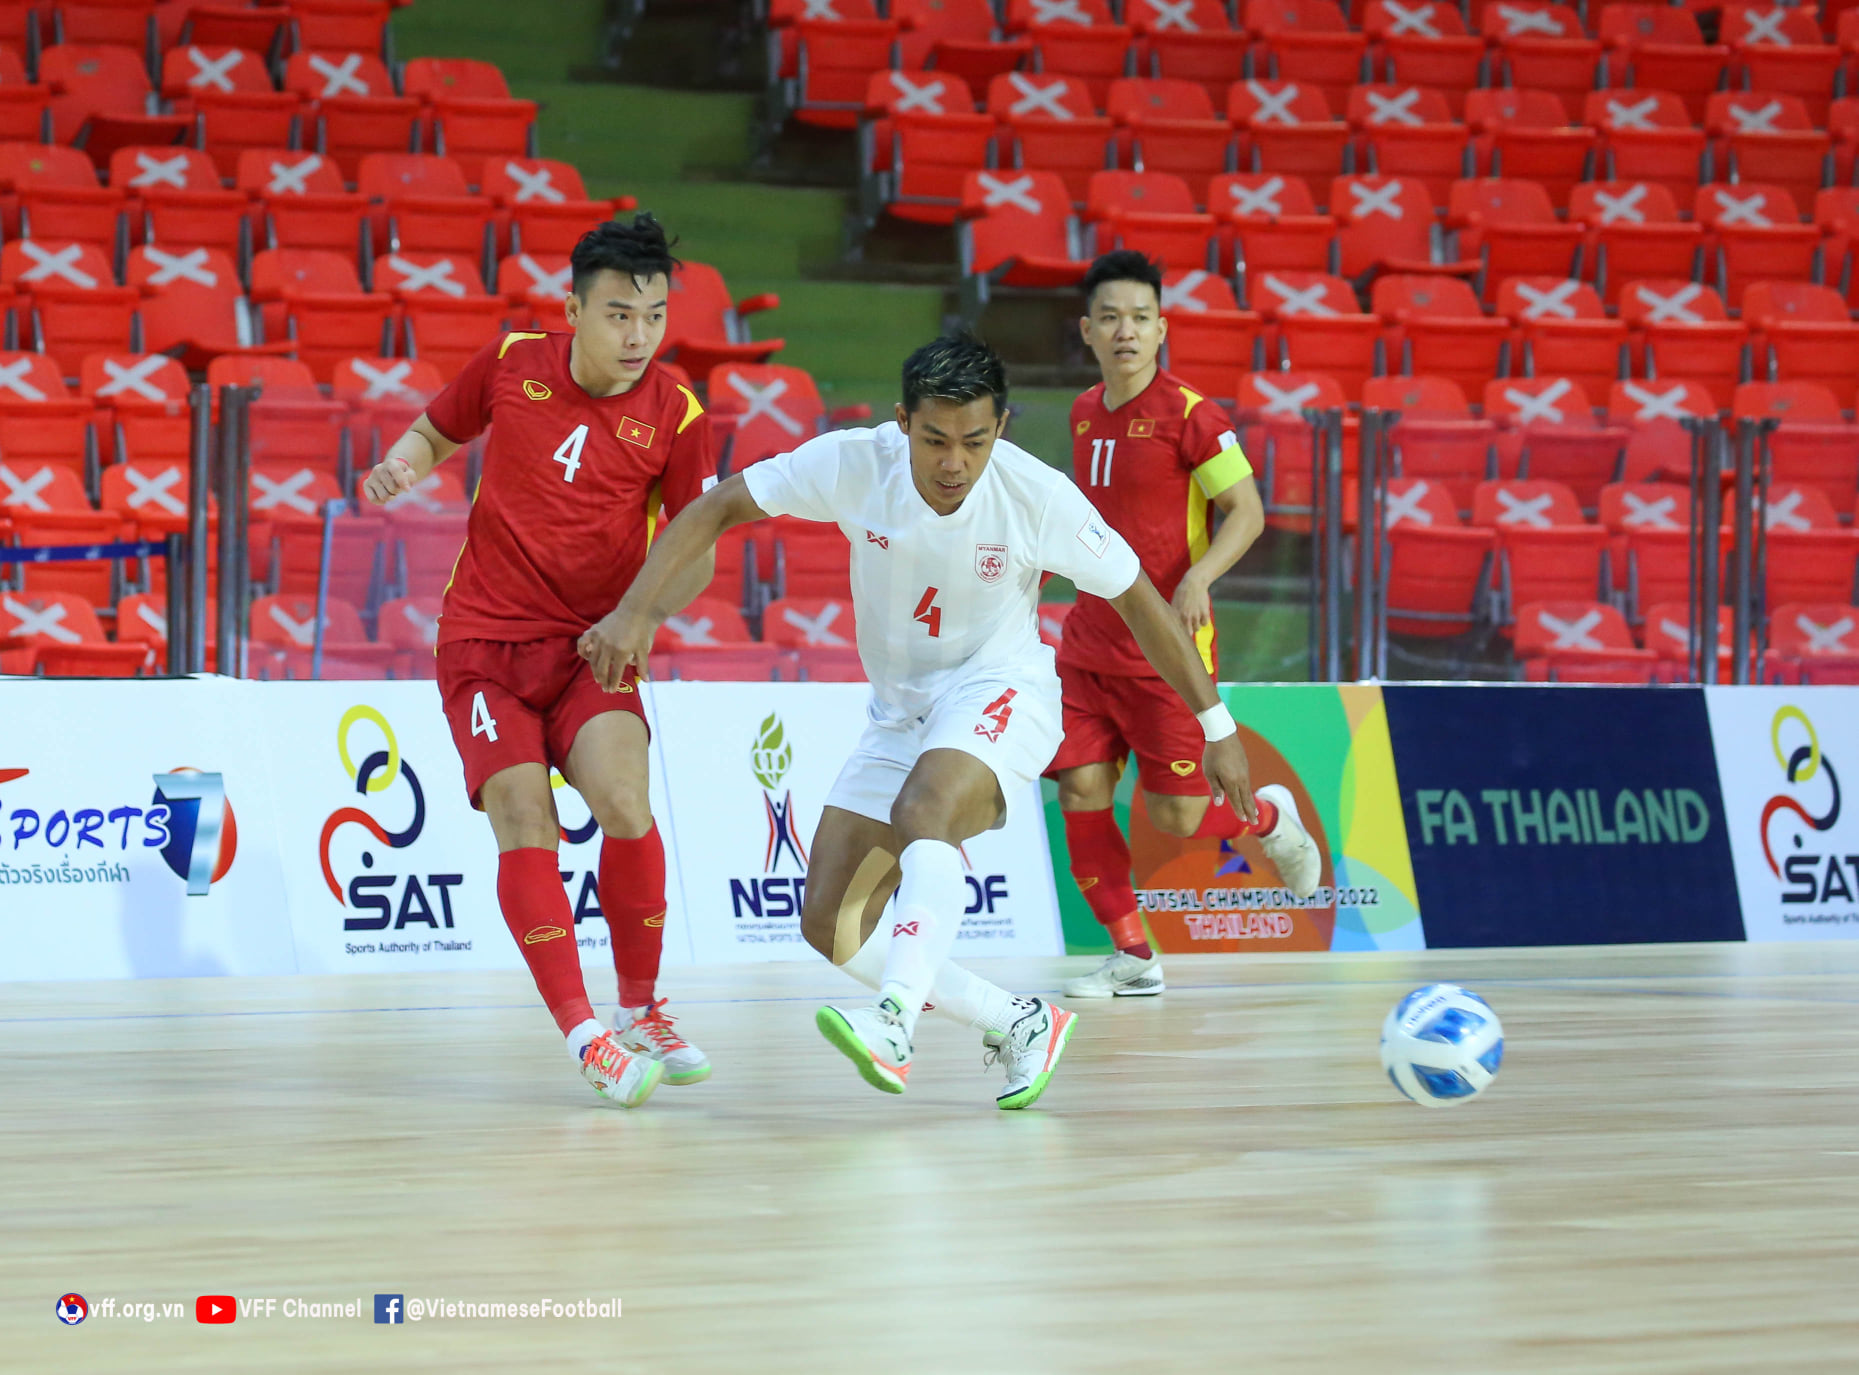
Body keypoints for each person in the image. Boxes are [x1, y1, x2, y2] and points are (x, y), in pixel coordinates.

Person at [577, 332, 1264, 1110]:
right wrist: (636, 610)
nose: (953, 463)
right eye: (934, 439)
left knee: (924, 811)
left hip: (1002, 689)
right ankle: (1016, 1018)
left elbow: (1141, 601)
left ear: (1000, 428)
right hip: (898, 712)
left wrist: (1217, 728)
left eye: (973, 441)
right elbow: (717, 504)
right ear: (901, 422)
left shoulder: (1037, 496)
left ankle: (895, 1021)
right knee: (829, 921)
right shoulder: (851, 463)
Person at [361, 214, 715, 1107]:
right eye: (617, 315)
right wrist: (403, 465)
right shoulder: (513, 361)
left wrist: (643, 613)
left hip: (593, 646)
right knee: (524, 817)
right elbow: (437, 431)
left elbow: (697, 545)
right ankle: (585, 1032)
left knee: (626, 804)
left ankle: (640, 1008)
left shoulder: (676, 410)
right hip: (484, 643)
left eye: (654, 315)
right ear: (574, 310)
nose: (638, 336)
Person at [1051, 251, 1321, 1000]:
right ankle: (1132, 956)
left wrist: (1199, 577)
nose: (1125, 331)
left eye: (1140, 317)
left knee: (1174, 817)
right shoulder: (1080, 412)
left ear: (1161, 327)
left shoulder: (1194, 415)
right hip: (1085, 645)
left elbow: (1249, 511)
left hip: (1166, 654)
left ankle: (1267, 817)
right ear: (1087, 330)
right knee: (1080, 789)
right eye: (1110, 317)